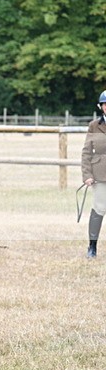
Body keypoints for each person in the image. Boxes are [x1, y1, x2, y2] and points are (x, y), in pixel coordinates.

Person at [81, 90, 106, 258]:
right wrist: (87, 174)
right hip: (100, 175)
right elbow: (86, 152)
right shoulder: (94, 126)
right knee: (98, 209)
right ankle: (92, 246)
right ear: (101, 106)